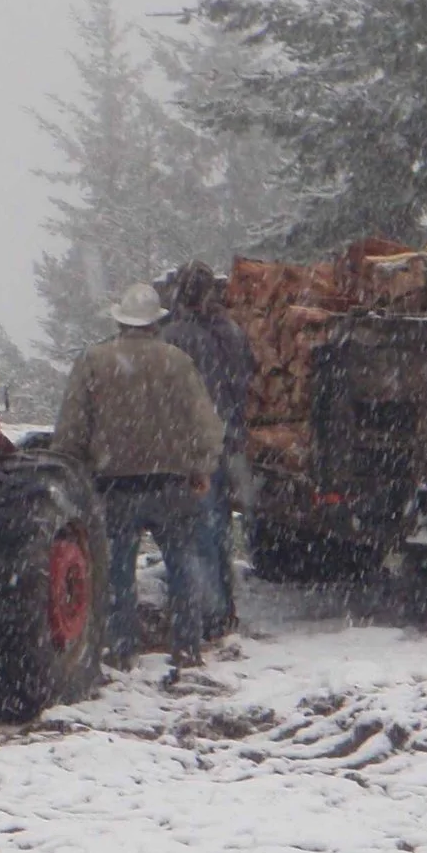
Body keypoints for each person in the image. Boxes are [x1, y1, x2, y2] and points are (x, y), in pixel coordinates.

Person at [53, 281, 226, 674]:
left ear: (120, 321)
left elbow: (72, 428)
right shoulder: (177, 362)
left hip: (115, 484)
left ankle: (122, 647)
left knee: (116, 570)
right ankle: (186, 646)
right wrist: (202, 467)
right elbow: (205, 423)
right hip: (172, 483)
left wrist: (74, 467)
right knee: (183, 564)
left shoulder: (94, 361)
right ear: (155, 322)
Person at [160, 261, 255, 639]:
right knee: (218, 528)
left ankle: (208, 614)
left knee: (194, 530)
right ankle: (224, 605)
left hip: (192, 443)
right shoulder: (232, 331)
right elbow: (247, 375)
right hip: (229, 438)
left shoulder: (174, 336)